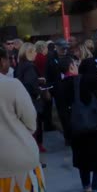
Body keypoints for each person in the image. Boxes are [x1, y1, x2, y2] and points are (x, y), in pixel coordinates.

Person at [56, 57, 97, 192]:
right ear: (71, 67)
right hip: (94, 128)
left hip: (76, 130)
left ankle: (86, 187)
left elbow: (62, 113)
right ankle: (96, 188)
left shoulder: (59, 86)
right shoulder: (85, 80)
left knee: (83, 162)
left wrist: (68, 133)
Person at [0, 46, 46, 191]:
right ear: (2, 61)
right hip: (18, 162)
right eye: (8, 58)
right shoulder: (12, 85)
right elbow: (31, 122)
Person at [14, 43, 46, 153]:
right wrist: (38, 92)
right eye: (34, 51)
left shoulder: (20, 66)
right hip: (32, 102)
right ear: (29, 52)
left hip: (22, 101)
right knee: (34, 128)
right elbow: (30, 84)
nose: (36, 53)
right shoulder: (29, 66)